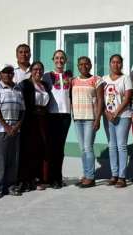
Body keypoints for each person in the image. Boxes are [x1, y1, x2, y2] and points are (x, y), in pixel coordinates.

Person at [0, 65, 25, 199]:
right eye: (5, 72)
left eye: (10, 72)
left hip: (15, 130)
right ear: (1, 74)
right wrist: (6, 126)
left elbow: (23, 110)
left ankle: (10, 185)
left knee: (13, 158)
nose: (8, 75)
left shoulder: (18, 88)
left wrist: (17, 126)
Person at [16, 61, 52, 191]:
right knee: (28, 149)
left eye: (41, 69)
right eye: (35, 69)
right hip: (29, 120)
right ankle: (25, 180)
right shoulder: (25, 84)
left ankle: (39, 178)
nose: (38, 72)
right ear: (31, 71)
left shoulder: (45, 85)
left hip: (43, 119)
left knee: (41, 148)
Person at [71, 56, 104, 188]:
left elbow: (101, 100)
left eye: (86, 64)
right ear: (77, 66)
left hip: (90, 118)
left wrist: (98, 119)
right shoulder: (73, 81)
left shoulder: (97, 80)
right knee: (82, 149)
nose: (83, 66)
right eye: (80, 64)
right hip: (78, 118)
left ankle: (90, 177)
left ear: (90, 65)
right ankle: (86, 174)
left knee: (88, 147)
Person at [102, 54, 133, 188]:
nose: (116, 65)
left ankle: (122, 176)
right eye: (113, 62)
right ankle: (114, 174)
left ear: (121, 64)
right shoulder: (104, 79)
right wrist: (106, 113)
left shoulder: (126, 78)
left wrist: (115, 113)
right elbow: (100, 99)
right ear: (110, 64)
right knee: (112, 145)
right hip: (108, 116)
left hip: (123, 116)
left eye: (118, 62)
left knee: (121, 145)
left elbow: (127, 99)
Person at [43, 49, 72, 189]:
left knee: (60, 148)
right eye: (57, 58)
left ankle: (58, 177)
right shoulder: (47, 76)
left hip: (65, 115)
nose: (59, 60)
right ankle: (50, 177)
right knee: (51, 147)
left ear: (65, 60)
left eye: (62, 58)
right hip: (52, 115)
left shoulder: (69, 76)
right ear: (53, 60)